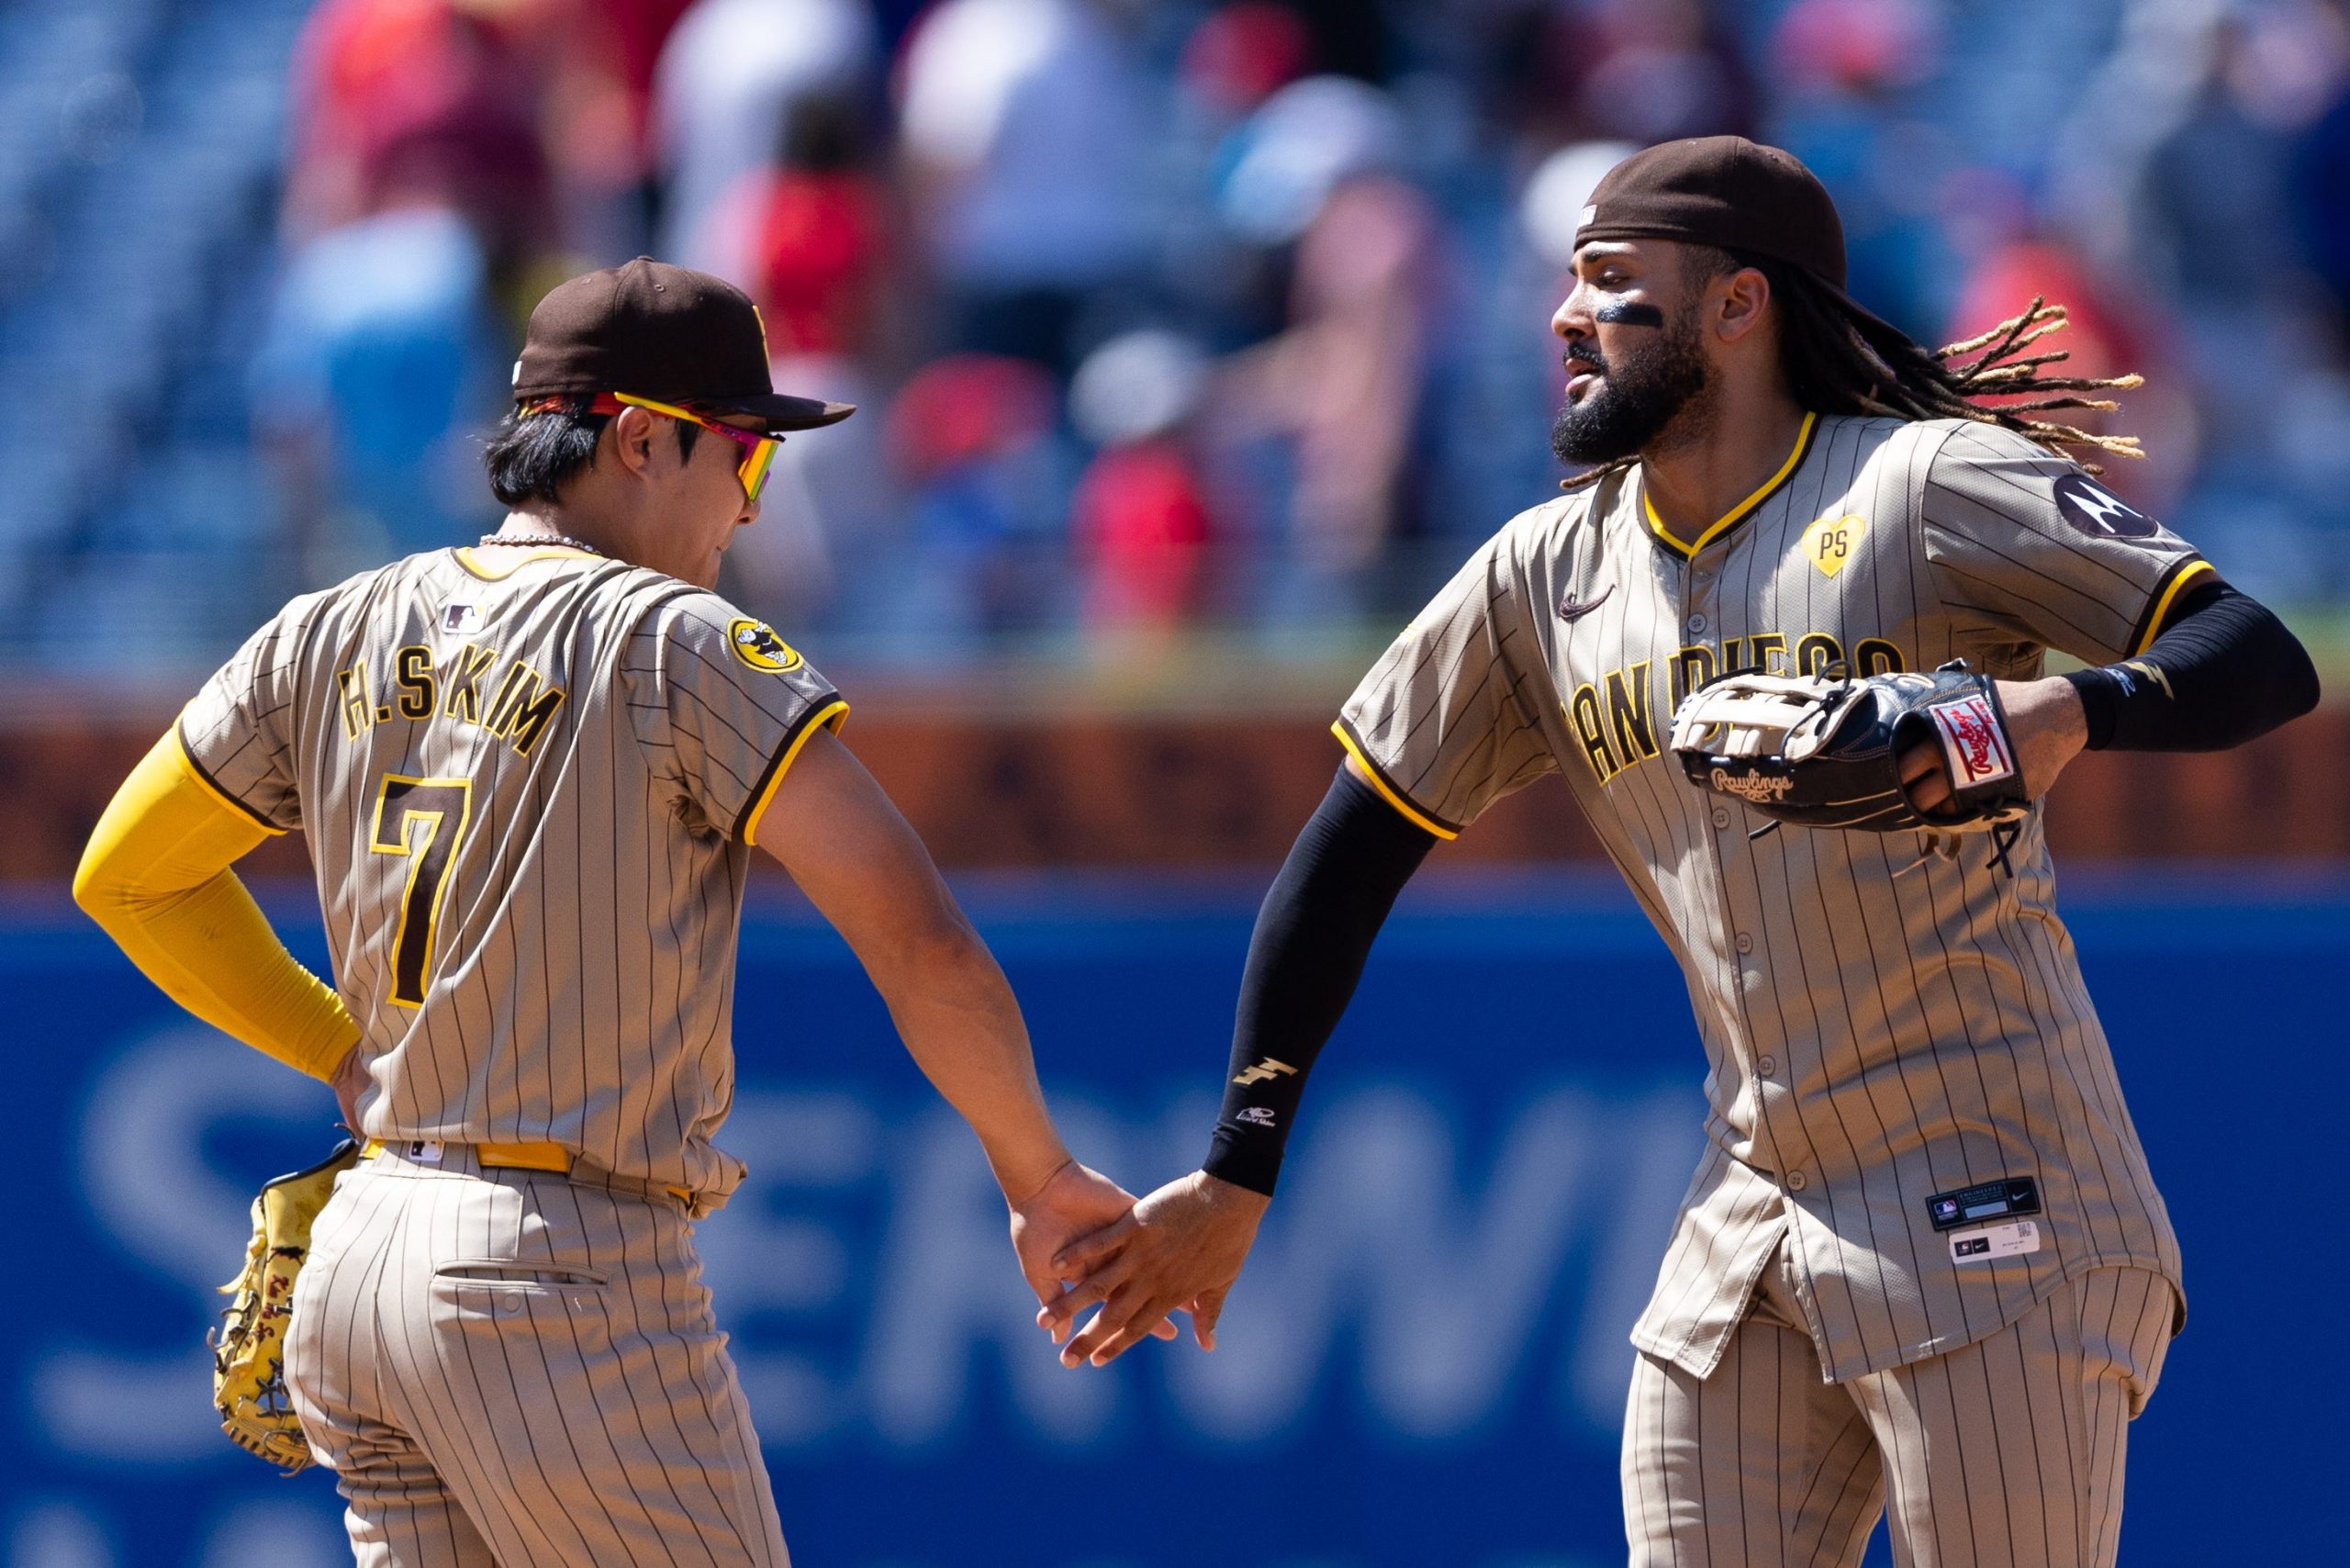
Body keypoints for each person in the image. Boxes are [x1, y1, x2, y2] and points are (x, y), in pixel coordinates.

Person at [1038, 139, 2320, 1567]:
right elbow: (1345, 859)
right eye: (1566, 284)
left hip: (1997, 1192)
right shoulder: (1546, 572)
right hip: (1752, 1213)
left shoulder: (1925, 483)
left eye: (1608, 282)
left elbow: (2253, 651)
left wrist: (2055, 710)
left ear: (1737, 305)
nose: (1563, 318)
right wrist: (1237, 1170)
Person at [73, 258, 1159, 1566]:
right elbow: (918, 936)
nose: (751, 509)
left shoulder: (329, 626)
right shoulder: (673, 640)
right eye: (744, 457)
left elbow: (126, 874)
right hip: (554, 1278)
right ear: (639, 440)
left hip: (365, 1258)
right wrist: (1038, 1175)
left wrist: (338, 1055)